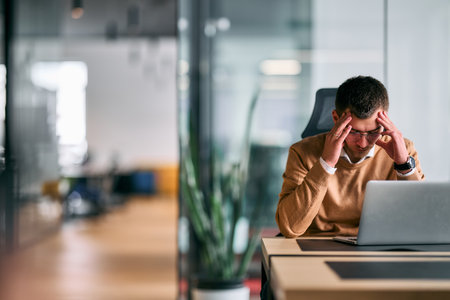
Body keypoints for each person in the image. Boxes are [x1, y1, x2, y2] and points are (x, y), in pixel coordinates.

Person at [276, 75, 425, 238]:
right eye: (354, 131)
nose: (363, 143)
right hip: (316, 245)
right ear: (335, 118)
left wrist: (403, 165)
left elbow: (422, 223)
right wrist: (326, 164)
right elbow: (289, 227)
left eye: (373, 132)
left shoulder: (403, 149)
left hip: (378, 245)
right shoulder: (302, 152)